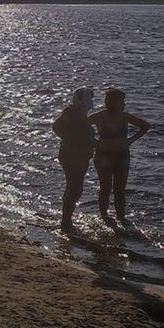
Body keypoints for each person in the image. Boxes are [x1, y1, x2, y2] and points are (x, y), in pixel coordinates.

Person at [88, 89, 151, 225]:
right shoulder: (99, 116)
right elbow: (81, 127)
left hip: (122, 155)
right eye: (122, 101)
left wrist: (130, 140)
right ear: (114, 102)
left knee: (120, 189)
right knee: (105, 187)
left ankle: (121, 217)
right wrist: (95, 142)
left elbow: (145, 126)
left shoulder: (125, 116)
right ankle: (104, 216)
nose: (124, 104)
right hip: (103, 156)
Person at [52, 88, 96, 232]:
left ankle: (66, 220)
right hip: (72, 155)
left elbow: (84, 137)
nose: (91, 101)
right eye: (88, 98)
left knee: (74, 187)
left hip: (80, 155)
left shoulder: (82, 114)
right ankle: (66, 222)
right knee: (75, 188)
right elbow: (56, 126)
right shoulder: (71, 112)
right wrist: (70, 141)